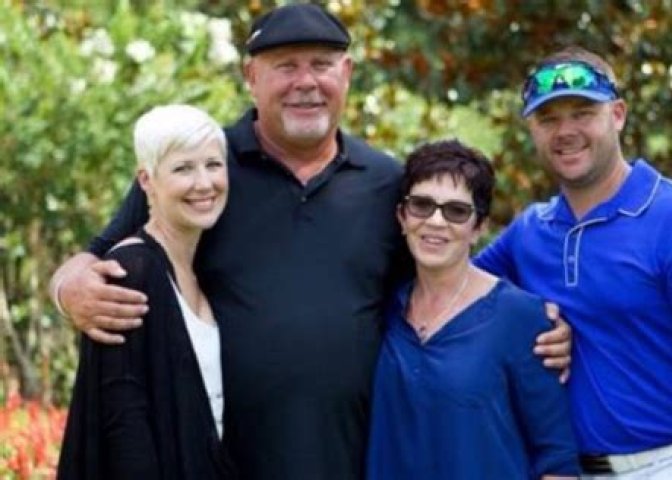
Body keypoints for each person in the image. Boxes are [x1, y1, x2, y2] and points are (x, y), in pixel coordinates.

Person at [49, 4, 571, 479]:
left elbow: (447, 281)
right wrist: (67, 288)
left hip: (354, 461)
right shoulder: (205, 169)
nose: (306, 82)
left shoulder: (386, 183)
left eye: (321, 64)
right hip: (225, 464)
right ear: (251, 77)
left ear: (347, 74)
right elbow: (105, 251)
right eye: (286, 66)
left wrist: (534, 327)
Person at [474, 45, 672, 479]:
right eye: (548, 118)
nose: (565, 131)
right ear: (532, 129)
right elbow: (453, 298)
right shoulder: (530, 232)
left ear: (618, 114)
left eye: (583, 112)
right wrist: (532, 325)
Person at [367, 140, 580, 479]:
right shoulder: (383, 307)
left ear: (478, 227)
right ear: (402, 217)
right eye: (421, 205)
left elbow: (557, 459)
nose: (436, 221)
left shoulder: (520, 316)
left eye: (456, 211)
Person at [58, 104, 236, 479]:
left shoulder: (202, 269)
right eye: (183, 169)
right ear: (146, 181)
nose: (204, 183)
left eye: (213, 165)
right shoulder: (131, 272)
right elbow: (123, 426)